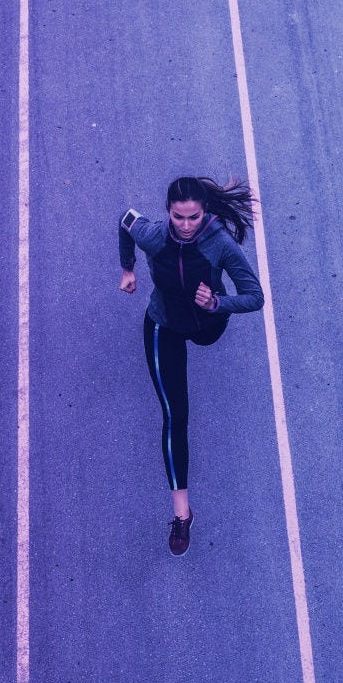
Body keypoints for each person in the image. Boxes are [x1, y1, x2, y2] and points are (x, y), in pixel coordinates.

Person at [119, 176, 264, 555]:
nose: (185, 225)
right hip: (163, 323)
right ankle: (182, 515)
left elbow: (255, 296)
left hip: (206, 325)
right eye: (178, 217)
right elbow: (125, 220)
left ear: (205, 213)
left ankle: (205, 315)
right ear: (168, 212)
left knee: (203, 335)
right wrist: (128, 269)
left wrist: (217, 303)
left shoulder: (220, 244)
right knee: (174, 414)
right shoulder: (154, 234)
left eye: (193, 217)